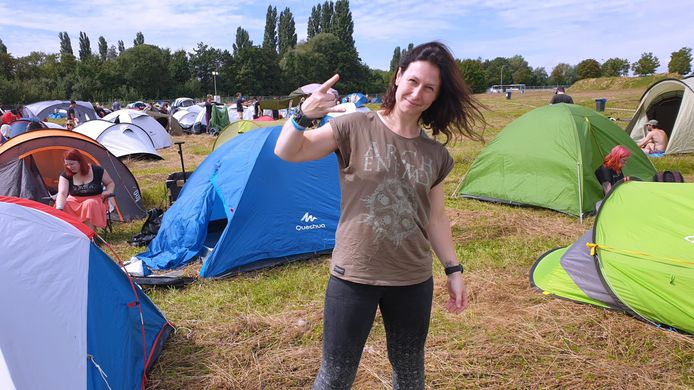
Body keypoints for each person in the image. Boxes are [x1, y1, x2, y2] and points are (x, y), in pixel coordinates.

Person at [275, 41, 485, 389]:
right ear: (399, 77)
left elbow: (435, 218)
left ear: (436, 96)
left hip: (413, 280)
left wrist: (453, 269)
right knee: (335, 377)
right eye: (414, 81)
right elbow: (288, 151)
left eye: (429, 88)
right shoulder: (355, 126)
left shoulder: (435, 155)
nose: (417, 93)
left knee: (409, 374)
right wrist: (303, 114)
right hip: (353, 275)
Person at [55, 148, 115, 230]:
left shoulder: (97, 170)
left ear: (80, 162)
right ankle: (72, 234)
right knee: (62, 204)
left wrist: (108, 191)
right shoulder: (65, 175)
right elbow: (62, 193)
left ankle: (90, 235)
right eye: (66, 165)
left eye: (72, 164)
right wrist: (59, 208)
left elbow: (110, 183)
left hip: (95, 200)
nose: (69, 167)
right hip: (74, 201)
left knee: (90, 204)